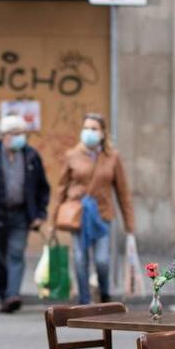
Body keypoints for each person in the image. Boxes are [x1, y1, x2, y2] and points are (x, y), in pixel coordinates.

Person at [49, 113, 136, 304]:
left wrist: (130, 226)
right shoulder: (72, 155)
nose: (89, 132)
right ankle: (84, 300)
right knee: (80, 260)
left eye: (94, 129)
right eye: (86, 128)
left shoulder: (112, 157)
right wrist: (53, 221)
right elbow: (61, 189)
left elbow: (123, 192)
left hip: (102, 215)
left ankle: (104, 295)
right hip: (78, 215)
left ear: (103, 133)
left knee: (102, 261)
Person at [0, 114, 50, 313]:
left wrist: (39, 213)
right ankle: (5, 296)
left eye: (22, 133)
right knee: (0, 258)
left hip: (21, 214)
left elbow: (43, 187)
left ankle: (13, 295)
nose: (20, 137)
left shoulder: (31, 156)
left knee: (16, 253)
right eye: (15, 134)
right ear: (4, 135)